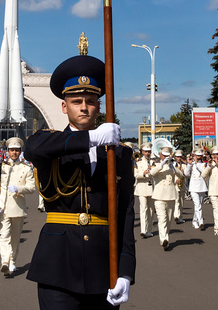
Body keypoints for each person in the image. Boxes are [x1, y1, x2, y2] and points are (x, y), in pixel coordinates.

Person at [26, 54, 135, 309]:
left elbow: (125, 213)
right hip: (58, 267)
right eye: (76, 101)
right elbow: (32, 148)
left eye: (90, 101)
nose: (83, 107)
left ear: (99, 106)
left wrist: (126, 270)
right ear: (65, 107)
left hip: (104, 265)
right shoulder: (50, 143)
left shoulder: (120, 154)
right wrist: (91, 139)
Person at [0, 137, 36, 276]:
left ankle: (12, 261)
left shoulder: (26, 168)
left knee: (15, 238)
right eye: (11, 150)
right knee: (4, 235)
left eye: (16, 150)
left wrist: (19, 189)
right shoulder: (1, 167)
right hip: (3, 208)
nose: (14, 153)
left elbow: (32, 188)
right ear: (7, 151)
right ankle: (4, 261)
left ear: (20, 152)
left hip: (18, 207)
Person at [150, 143, 181, 250]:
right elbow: (152, 173)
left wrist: (173, 168)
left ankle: (165, 238)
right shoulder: (156, 164)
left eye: (168, 155)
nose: (166, 157)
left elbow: (181, 175)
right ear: (160, 155)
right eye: (164, 155)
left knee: (168, 220)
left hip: (171, 195)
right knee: (162, 219)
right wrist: (161, 164)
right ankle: (164, 240)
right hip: (159, 196)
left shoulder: (173, 165)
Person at [133, 142, 155, 238]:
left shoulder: (154, 162)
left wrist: (153, 170)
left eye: (149, 151)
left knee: (150, 210)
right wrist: (144, 173)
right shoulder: (138, 162)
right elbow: (136, 174)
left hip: (151, 188)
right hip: (142, 188)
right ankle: (143, 230)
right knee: (143, 209)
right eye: (146, 151)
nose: (148, 153)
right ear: (142, 152)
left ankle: (149, 230)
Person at [184, 148, 208, 230]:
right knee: (197, 205)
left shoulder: (204, 164)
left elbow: (203, 172)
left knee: (199, 205)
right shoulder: (192, 164)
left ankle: (195, 220)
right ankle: (201, 222)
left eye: (199, 156)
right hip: (193, 187)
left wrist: (197, 163)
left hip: (201, 186)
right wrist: (189, 164)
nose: (197, 157)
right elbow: (186, 174)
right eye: (196, 156)